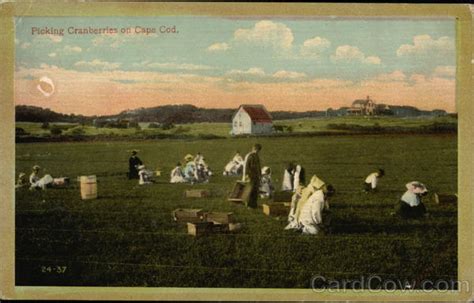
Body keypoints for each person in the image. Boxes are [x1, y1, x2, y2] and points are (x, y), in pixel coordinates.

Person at [242, 143, 262, 208]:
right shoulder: (249, 156)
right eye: (257, 150)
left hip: (255, 176)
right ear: (254, 149)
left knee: (255, 190)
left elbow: (258, 166)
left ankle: (254, 204)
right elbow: (246, 167)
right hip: (250, 176)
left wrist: (260, 174)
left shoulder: (256, 156)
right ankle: (248, 204)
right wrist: (245, 176)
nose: (257, 152)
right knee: (249, 190)